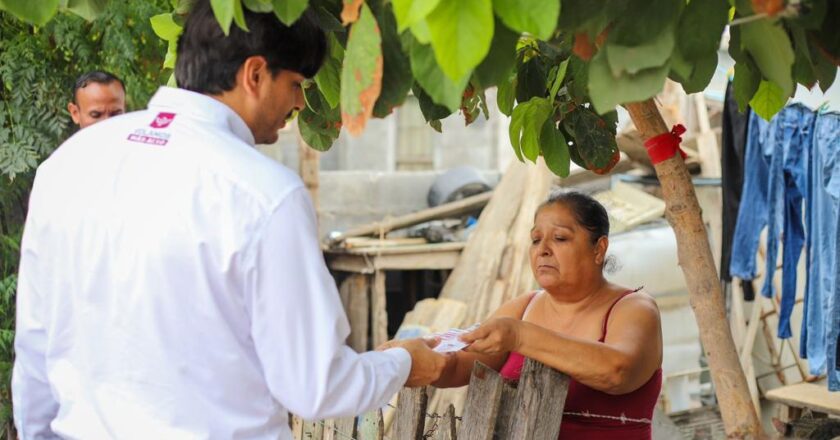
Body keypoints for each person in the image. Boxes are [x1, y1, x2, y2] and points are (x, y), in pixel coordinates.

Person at [12, 2, 445, 439]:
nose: (299, 102)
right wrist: (405, 361)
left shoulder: (67, 166)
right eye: (295, 83)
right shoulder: (264, 194)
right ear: (254, 75)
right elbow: (317, 386)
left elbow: (34, 349)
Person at [431, 191, 662, 439]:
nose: (543, 250)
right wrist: (412, 358)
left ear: (599, 248)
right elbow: (461, 365)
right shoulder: (522, 307)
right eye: (535, 239)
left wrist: (519, 337)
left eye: (560, 238)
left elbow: (618, 372)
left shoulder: (634, 308)